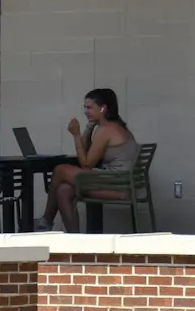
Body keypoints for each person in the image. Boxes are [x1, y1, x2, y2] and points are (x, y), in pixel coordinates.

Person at [35, 88, 139, 232]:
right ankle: (75, 240)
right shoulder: (111, 126)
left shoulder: (106, 130)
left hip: (116, 184)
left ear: (103, 108)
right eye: (84, 107)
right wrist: (90, 126)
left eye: (89, 107)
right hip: (116, 181)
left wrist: (76, 135)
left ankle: (46, 219)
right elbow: (85, 154)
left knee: (60, 170)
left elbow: (86, 164)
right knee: (63, 190)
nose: (85, 111)